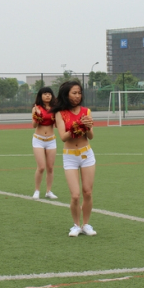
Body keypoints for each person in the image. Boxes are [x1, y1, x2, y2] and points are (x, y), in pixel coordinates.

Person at [51, 81, 97, 237]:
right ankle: (76, 225)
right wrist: (76, 125)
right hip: (70, 156)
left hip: (86, 154)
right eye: (74, 93)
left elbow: (91, 136)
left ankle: (86, 224)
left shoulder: (86, 111)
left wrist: (87, 126)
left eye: (79, 93)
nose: (78, 96)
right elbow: (63, 137)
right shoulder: (60, 113)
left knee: (87, 192)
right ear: (66, 95)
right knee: (75, 195)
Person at [31, 86, 58, 199]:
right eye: (45, 94)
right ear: (40, 96)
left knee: (50, 167)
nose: (47, 96)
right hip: (38, 140)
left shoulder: (55, 108)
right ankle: (37, 190)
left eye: (49, 94)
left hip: (51, 140)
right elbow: (34, 125)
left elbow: (57, 125)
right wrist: (38, 115)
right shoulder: (36, 108)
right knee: (41, 167)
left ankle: (48, 191)